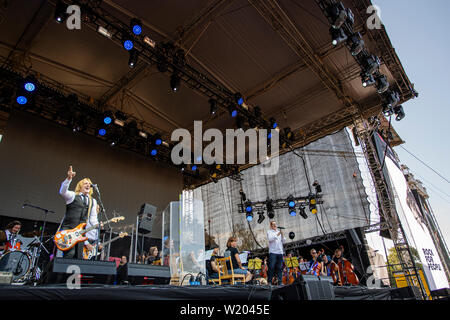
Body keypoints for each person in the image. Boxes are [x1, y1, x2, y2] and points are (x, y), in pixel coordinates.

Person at [58, 165, 100, 259]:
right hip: (68, 231)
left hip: (80, 233)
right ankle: (63, 273)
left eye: (89, 183)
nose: (88, 185)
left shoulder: (92, 201)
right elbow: (62, 192)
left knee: (78, 256)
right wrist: (69, 179)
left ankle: (72, 274)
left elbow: (93, 218)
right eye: (85, 183)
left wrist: (97, 226)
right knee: (70, 253)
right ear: (80, 186)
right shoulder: (73, 196)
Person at [267, 221, 285, 285]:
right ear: (271, 226)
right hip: (273, 252)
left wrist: (282, 235)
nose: (274, 225)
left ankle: (280, 282)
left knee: (280, 267)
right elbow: (270, 239)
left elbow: (283, 241)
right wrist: (277, 235)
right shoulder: (269, 232)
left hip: (280, 252)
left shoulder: (278, 232)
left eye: (275, 224)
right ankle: (269, 281)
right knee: (271, 267)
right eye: (273, 224)